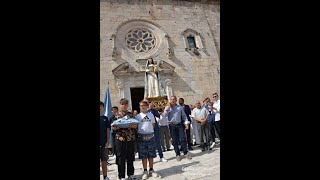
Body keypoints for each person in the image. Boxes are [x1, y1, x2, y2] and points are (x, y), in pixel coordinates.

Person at [112, 98, 138, 180]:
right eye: (122, 104)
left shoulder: (130, 114)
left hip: (130, 138)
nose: (124, 106)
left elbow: (136, 125)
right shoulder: (116, 115)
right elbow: (113, 127)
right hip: (120, 139)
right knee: (120, 158)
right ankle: (122, 176)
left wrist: (131, 125)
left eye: (126, 104)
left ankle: (131, 174)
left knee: (130, 157)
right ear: (120, 105)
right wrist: (117, 126)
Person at [135, 100, 160, 180]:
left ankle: (151, 169)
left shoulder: (151, 115)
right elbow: (136, 126)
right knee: (143, 155)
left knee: (151, 154)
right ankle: (145, 170)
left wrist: (148, 132)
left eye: (143, 105)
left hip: (150, 136)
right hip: (141, 137)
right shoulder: (138, 116)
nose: (142, 107)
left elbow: (153, 124)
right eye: (140, 105)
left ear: (146, 106)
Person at [163, 95, 192, 161]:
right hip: (172, 125)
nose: (172, 100)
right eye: (171, 99)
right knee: (175, 140)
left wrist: (186, 123)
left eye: (174, 99)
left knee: (183, 138)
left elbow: (184, 116)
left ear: (176, 100)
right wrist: (167, 109)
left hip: (179, 125)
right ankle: (177, 154)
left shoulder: (179, 107)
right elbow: (164, 116)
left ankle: (185, 152)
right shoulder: (168, 108)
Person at [100, 101, 110, 180]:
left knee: (104, 160)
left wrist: (108, 141)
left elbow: (107, 130)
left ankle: (105, 176)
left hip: (104, 143)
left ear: (103, 107)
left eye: (101, 106)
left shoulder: (105, 118)